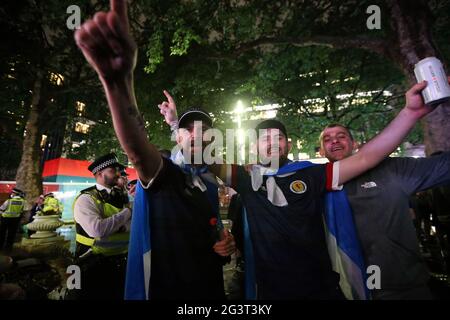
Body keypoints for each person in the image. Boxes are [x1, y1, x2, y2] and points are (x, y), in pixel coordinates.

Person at [159, 77, 436, 299]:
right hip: (269, 291)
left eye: (278, 137)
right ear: (254, 148)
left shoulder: (312, 174)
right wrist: (175, 125)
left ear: (288, 145)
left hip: (321, 289)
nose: (272, 142)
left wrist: (410, 113)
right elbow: (200, 154)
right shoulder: (244, 178)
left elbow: (366, 157)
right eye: (264, 138)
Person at [74, 3, 235, 299]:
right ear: (179, 140)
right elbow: (136, 150)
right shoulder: (165, 175)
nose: (198, 134)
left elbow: (211, 230)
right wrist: (118, 82)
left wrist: (223, 245)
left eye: (205, 130)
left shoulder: (211, 180)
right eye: (189, 130)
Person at [318, 118, 450, 299]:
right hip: (346, 289)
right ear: (321, 151)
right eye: (327, 139)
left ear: (354, 144)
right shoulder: (315, 187)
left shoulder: (391, 169)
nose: (334, 141)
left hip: (405, 287)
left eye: (341, 136)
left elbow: (443, 166)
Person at [71, 153, 132, 300]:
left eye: (118, 170)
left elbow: (133, 224)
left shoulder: (121, 196)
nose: (118, 174)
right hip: (91, 264)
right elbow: (97, 230)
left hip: (122, 262)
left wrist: (120, 226)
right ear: (99, 174)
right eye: (113, 170)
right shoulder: (86, 199)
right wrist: (127, 212)